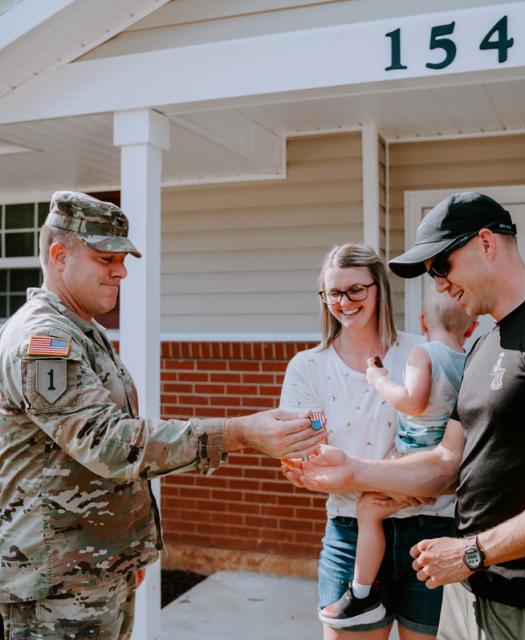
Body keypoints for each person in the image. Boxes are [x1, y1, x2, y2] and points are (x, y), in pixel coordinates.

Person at [283, 192, 525, 640]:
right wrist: (356, 470)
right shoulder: (481, 346)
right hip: (467, 588)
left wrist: (472, 552)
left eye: (441, 266)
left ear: (486, 242)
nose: (438, 284)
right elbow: (447, 463)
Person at [0, 191, 325, 640]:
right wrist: (238, 433)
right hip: (53, 587)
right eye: (105, 257)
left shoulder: (82, 330)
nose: (121, 270)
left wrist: (123, 553)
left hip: (91, 570)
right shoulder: (43, 342)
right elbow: (107, 442)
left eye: (122, 258)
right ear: (59, 255)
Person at [281, 243, 453, 640]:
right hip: (349, 534)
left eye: (356, 290)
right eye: (333, 293)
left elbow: (449, 443)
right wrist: (400, 483)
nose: (344, 302)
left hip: (429, 533)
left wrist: (377, 481)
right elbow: (303, 462)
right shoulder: (308, 368)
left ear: (379, 289)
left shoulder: (422, 354)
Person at [318, 286, 476, 629]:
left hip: (412, 459)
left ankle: (361, 594)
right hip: (444, 471)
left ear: (422, 321)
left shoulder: (424, 354)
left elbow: (412, 402)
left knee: (367, 510)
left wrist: (379, 379)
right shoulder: (470, 361)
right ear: (472, 327)